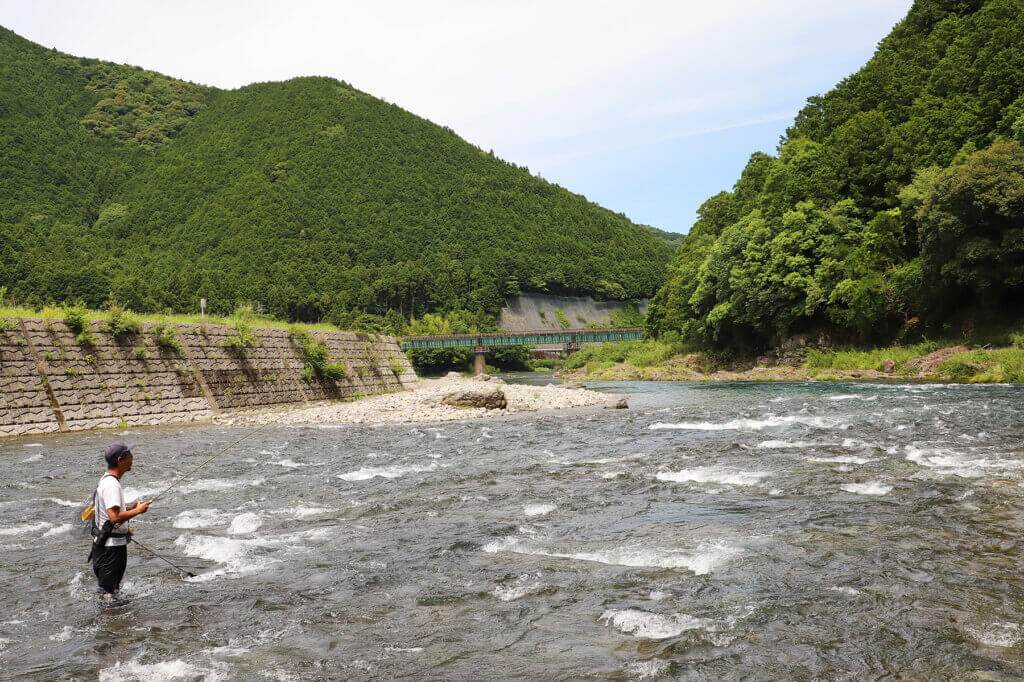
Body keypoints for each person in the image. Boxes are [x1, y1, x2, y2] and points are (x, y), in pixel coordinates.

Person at [88, 441, 152, 597]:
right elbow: (115, 517)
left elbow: (110, 510)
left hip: (106, 547)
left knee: (110, 592)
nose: (132, 458)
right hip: (110, 549)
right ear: (120, 460)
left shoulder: (107, 480)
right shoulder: (112, 485)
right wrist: (138, 511)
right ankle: (106, 619)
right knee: (107, 595)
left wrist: (131, 508)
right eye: (129, 455)